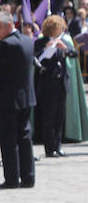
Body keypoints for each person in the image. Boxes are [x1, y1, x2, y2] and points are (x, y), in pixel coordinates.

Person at [0, 12, 36, 189]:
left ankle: (12, 178)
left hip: (9, 100)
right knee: (25, 138)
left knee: (9, 140)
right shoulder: (26, 40)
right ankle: (28, 177)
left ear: (10, 26)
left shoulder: (6, 45)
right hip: (26, 98)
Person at [34, 15, 76, 158]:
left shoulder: (62, 41)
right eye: (59, 27)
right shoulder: (41, 42)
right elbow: (35, 57)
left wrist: (64, 48)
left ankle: (58, 146)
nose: (62, 30)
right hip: (47, 83)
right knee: (48, 117)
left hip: (61, 83)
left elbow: (74, 53)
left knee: (59, 116)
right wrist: (45, 49)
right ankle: (49, 147)